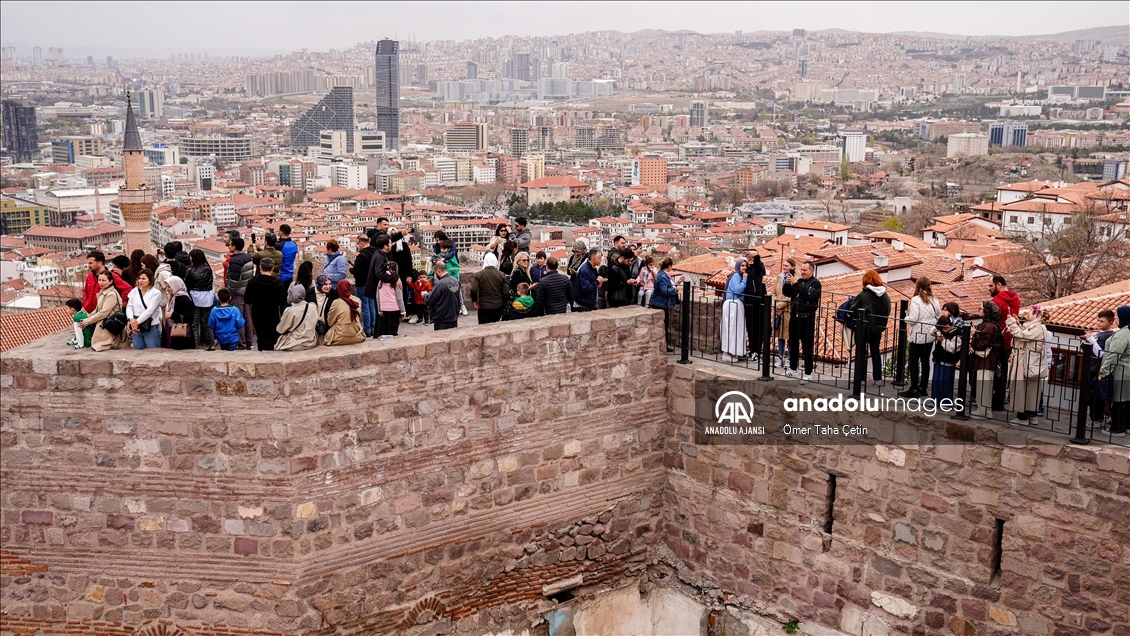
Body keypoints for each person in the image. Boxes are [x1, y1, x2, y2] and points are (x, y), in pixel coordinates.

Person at [848, 270, 891, 389]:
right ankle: (877, 379)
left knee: (861, 353)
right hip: (878, 328)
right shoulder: (885, 295)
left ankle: (861, 378)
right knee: (875, 351)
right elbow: (887, 311)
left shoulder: (864, 295)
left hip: (864, 327)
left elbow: (853, 309)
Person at [1006, 306, 1049, 426]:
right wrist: (1017, 324)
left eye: (1029, 312)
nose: (1026, 314)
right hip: (1030, 361)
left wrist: (1011, 323)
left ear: (1036, 315)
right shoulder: (1036, 327)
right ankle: (1032, 416)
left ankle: (1022, 417)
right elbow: (1024, 335)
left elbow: (1021, 336)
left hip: (1026, 361)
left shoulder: (1038, 328)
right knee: (1031, 389)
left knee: (1023, 388)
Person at [900, 277, 941, 398]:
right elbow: (938, 315)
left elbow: (913, 319)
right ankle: (923, 387)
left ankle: (914, 387)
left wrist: (905, 317)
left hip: (917, 335)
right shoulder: (934, 299)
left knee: (913, 361)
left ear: (917, 286)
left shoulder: (916, 300)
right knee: (925, 361)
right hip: (929, 335)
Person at [783, 261, 821, 382]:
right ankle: (793, 368)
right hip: (795, 317)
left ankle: (808, 373)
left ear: (812, 270)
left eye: (805, 270)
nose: (803, 272)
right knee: (793, 344)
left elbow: (809, 295)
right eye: (802, 270)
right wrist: (788, 284)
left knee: (807, 347)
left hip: (807, 319)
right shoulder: (798, 281)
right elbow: (787, 293)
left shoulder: (816, 283)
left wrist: (796, 283)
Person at [1097, 306, 1130, 437]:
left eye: (1117, 316)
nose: (1115, 318)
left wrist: (1103, 372)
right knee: (1127, 400)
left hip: (1121, 372)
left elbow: (1113, 355)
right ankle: (1126, 426)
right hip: (1127, 372)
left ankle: (1117, 429)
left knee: (1118, 400)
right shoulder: (1126, 331)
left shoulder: (1122, 335)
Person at [1083, 309, 1117, 430]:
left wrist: (1091, 340)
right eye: (1097, 320)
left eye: (1102, 321)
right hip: (1093, 368)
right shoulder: (1101, 334)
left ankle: (1095, 419)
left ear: (1111, 322)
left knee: (1095, 396)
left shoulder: (1108, 336)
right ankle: (1097, 418)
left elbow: (1101, 354)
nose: (1098, 323)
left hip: (1098, 369)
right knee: (1093, 395)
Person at [245, 257, 287, 351]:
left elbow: (247, 299)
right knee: (271, 340)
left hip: (257, 314)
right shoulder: (278, 283)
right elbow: (282, 302)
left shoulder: (252, 281)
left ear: (260, 268)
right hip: (272, 315)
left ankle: (261, 355)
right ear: (272, 269)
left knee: (260, 338)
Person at [970, 301, 1002, 419]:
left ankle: (983, 411)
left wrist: (974, 334)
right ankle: (984, 410)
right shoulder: (989, 324)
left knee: (984, 386)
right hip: (985, 360)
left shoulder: (989, 326)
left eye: (981, 308)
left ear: (987, 311)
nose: (979, 309)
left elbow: (982, 344)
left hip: (986, 360)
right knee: (984, 386)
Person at [82, 271, 128, 351]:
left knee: (101, 346)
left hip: (109, 325)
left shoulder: (111, 294)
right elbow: (98, 309)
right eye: (99, 280)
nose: (101, 283)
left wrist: (88, 321)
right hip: (104, 324)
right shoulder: (103, 292)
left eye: (103, 280)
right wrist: (88, 316)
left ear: (110, 281)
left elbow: (103, 312)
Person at [226, 237, 255, 350]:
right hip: (246, 292)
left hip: (238, 293)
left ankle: (241, 344)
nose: (229, 246)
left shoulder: (235, 261)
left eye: (230, 245)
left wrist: (230, 293)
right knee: (247, 318)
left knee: (239, 319)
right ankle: (250, 342)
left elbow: (234, 280)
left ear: (234, 247)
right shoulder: (248, 258)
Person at [931, 303, 964, 400]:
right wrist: (937, 332)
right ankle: (935, 400)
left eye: (946, 310)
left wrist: (942, 340)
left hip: (949, 360)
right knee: (936, 381)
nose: (944, 312)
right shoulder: (942, 322)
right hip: (939, 358)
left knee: (945, 382)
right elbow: (933, 328)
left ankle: (946, 402)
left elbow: (953, 348)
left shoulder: (958, 329)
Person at [185, 249, 215, 350]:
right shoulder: (208, 269)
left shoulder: (190, 271)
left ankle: (196, 344)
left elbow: (187, 284)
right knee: (206, 322)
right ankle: (211, 344)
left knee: (195, 323)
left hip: (195, 297)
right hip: (207, 297)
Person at [275, 285, 319, 351]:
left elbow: (280, 329)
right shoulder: (313, 306)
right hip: (311, 342)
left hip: (295, 343)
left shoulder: (290, 310)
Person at [721, 259, 749, 363]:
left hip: (734, 304)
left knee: (734, 328)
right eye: (742, 265)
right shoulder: (737, 276)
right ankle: (728, 352)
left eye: (745, 266)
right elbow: (737, 289)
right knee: (732, 328)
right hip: (733, 304)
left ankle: (732, 351)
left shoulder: (737, 275)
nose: (744, 267)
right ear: (738, 266)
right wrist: (745, 280)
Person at [770, 258, 796, 368]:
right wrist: (775, 305)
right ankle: (780, 357)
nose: (784, 267)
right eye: (784, 265)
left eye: (787, 266)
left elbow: (791, 296)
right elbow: (773, 293)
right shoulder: (778, 278)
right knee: (780, 335)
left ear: (792, 267)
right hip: (778, 311)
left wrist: (780, 306)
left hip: (788, 310)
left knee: (789, 335)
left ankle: (789, 358)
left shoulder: (795, 279)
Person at [323, 280, 366, 346]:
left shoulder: (336, 303)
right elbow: (359, 318)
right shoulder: (357, 300)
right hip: (357, 335)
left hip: (339, 336)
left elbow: (330, 322)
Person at [742, 253, 767, 360]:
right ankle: (751, 349)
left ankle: (756, 351)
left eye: (752, 258)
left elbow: (759, 265)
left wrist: (756, 256)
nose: (750, 260)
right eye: (749, 258)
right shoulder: (749, 269)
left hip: (756, 301)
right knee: (750, 328)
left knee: (756, 328)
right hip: (748, 301)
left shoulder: (758, 269)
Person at [651, 258, 678, 354]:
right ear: (669, 266)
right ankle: (663, 347)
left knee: (663, 325)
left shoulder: (662, 274)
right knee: (663, 326)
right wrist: (675, 290)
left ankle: (664, 346)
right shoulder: (663, 276)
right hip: (661, 303)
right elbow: (664, 291)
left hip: (661, 303)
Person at [472, 253, 508, 324]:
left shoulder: (479, 275)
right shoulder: (501, 275)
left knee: (484, 327)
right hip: (498, 306)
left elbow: (473, 289)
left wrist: (475, 300)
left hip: (484, 306)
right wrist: (502, 303)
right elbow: (506, 292)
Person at [352, 234, 376, 336]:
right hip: (372, 282)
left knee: (365, 307)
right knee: (372, 306)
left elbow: (356, 271)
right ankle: (373, 327)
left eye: (358, 243)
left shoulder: (361, 256)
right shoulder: (375, 252)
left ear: (361, 243)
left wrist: (351, 268)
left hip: (362, 283)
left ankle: (367, 329)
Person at [425, 260, 460, 330]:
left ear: (438, 271)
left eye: (435, 272)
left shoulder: (440, 284)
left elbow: (429, 300)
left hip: (442, 319)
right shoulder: (456, 281)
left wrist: (424, 295)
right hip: (453, 317)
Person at [162, 275, 195, 350]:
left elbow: (190, 318)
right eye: (166, 287)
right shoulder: (171, 298)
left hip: (182, 336)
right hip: (171, 331)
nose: (167, 289)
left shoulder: (184, 299)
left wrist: (173, 315)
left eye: (169, 287)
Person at [376, 262, 404, 337]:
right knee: (392, 331)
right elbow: (399, 298)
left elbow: (377, 296)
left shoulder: (381, 281)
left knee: (384, 330)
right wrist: (403, 311)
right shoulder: (396, 281)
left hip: (384, 308)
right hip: (394, 308)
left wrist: (379, 309)